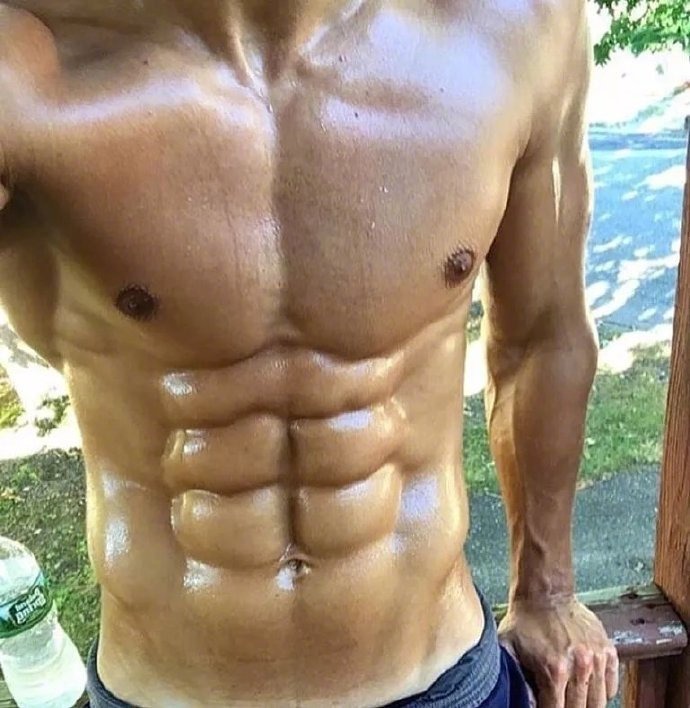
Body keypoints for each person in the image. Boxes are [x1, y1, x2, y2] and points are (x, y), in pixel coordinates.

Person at [0, 1, 620, 706]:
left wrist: (547, 590)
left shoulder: (519, 22)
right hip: (170, 689)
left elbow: (544, 334)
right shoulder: (25, 64)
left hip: (439, 674)